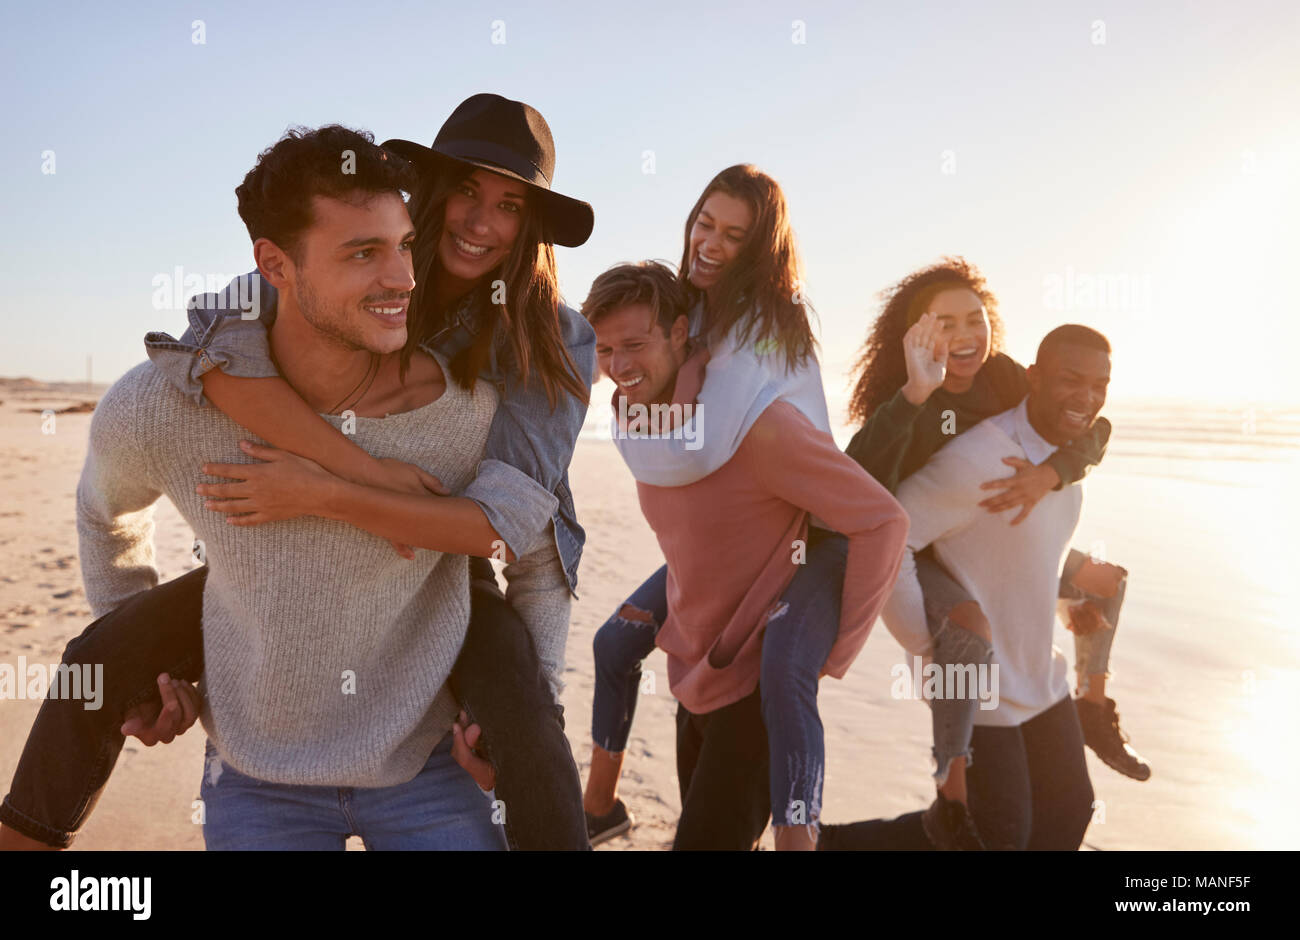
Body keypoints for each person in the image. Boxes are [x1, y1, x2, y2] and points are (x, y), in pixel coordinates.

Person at [0, 95, 596, 851]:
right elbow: (210, 344)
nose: (480, 223)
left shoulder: (549, 342)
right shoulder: (322, 276)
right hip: (271, 622)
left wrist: (331, 492)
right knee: (99, 658)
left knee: (530, 725)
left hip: (450, 568)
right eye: (467, 194)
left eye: (510, 205)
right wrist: (353, 465)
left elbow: (511, 535)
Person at [584, 260, 908, 850]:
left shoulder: (756, 428)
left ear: (680, 333)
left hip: (756, 698)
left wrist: (830, 653)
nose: (619, 367)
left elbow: (882, 520)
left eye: (635, 344)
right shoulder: (642, 430)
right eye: (606, 350)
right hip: (694, 674)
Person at [842, 258, 1147, 848]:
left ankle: (1093, 698)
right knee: (998, 833)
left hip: (1035, 661)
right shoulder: (942, 431)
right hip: (968, 649)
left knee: (1067, 814)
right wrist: (930, 646)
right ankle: (841, 839)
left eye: (974, 320)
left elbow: (1084, 435)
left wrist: (1052, 477)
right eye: (944, 323)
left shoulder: (1016, 394)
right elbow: (878, 517)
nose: (1087, 397)